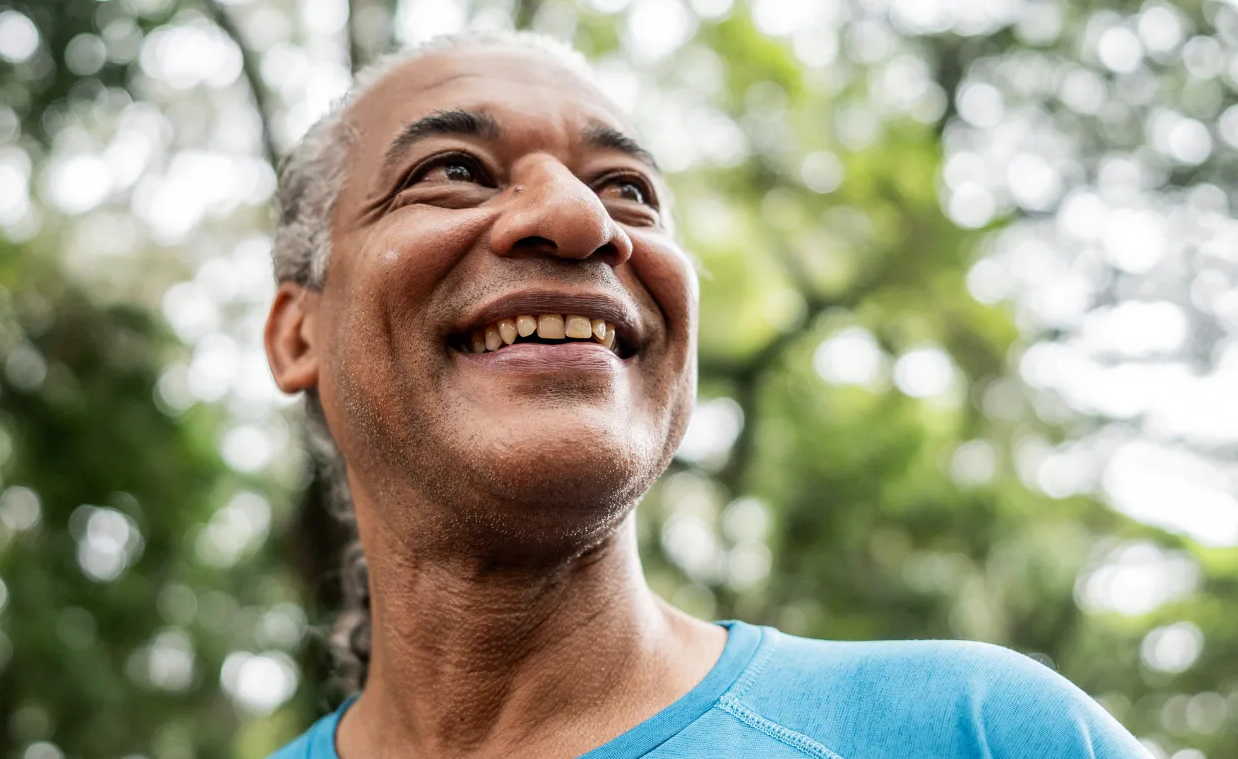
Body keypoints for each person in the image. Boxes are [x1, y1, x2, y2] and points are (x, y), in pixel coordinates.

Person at [261, 30, 1147, 759]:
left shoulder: (979, 731)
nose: (581, 220)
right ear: (298, 334)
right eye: (454, 170)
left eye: (628, 190)